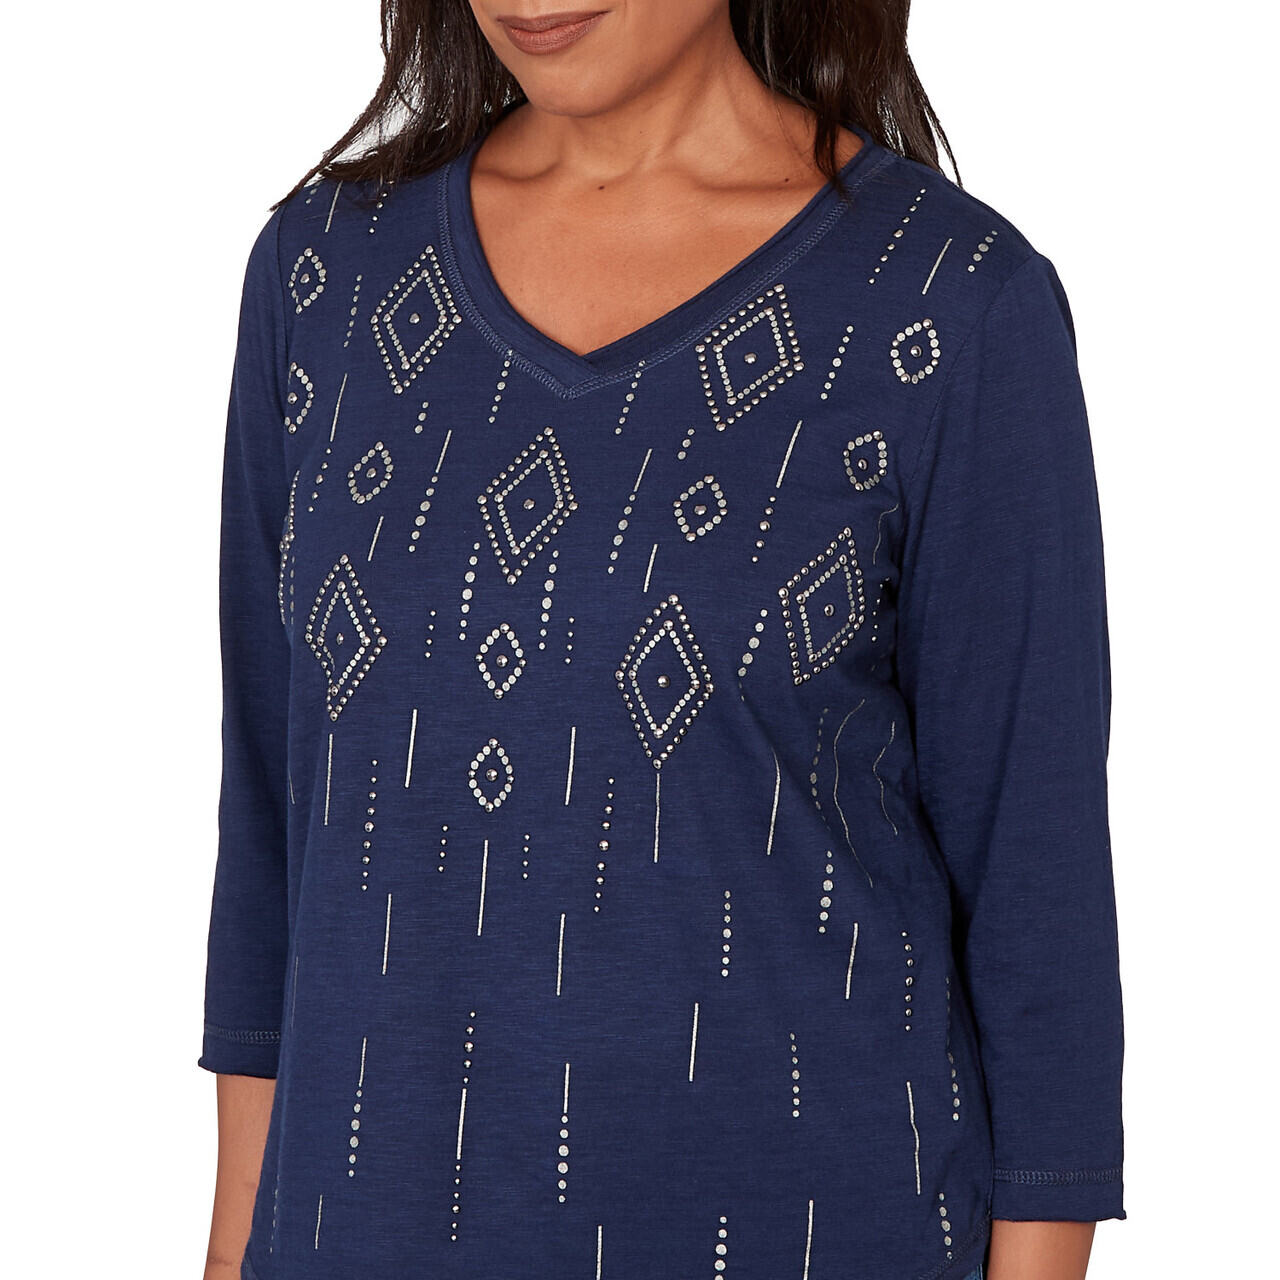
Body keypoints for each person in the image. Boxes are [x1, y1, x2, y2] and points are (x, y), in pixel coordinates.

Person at [198, 3, 1126, 1279]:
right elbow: (274, 831)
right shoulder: (324, 277)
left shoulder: (949, 303)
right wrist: (232, 1251)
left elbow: (1035, 894)